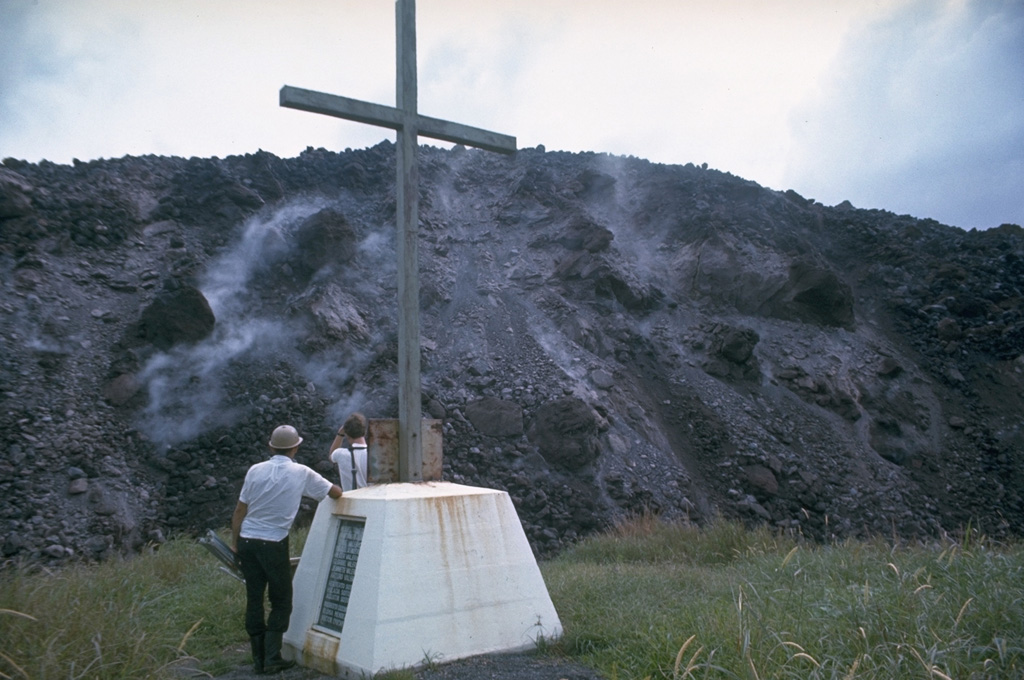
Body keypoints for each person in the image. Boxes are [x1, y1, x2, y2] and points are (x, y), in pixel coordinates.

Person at [232, 424, 342, 675]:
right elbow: (335, 493)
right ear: (296, 447)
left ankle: (257, 658)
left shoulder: (255, 470)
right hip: (274, 543)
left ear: (271, 446)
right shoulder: (302, 472)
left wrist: (235, 542)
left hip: (248, 540)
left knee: (254, 597)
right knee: (281, 600)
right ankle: (272, 657)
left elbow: (240, 510)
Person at [329, 412, 368, 491]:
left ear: (347, 435)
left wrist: (340, 434)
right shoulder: (376, 455)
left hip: (350, 501)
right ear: (365, 431)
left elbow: (331, 455)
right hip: (372, 501)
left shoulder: (341, 454)